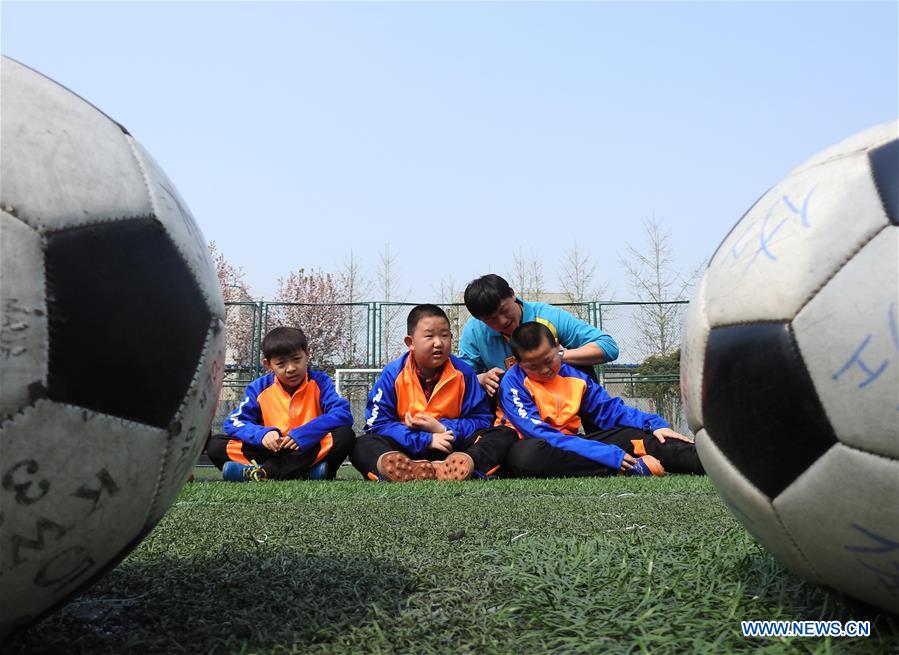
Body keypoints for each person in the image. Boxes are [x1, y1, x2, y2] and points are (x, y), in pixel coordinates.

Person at [497, 321, 704, 478]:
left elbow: (611, 411)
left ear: (558, 347)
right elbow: (541, 433)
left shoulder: (575, 377)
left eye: (549, 360)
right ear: (517, 363)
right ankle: (623, 466)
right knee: (527, 456)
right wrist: (607, 455)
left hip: (574, 446)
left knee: (641, 436)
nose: (544, 370)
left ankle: (712, 460)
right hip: (534, 447)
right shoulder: (512, 383)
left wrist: (653, 424)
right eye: (533, 367)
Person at [351, 304, 518, 482]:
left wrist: (443, 429)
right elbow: (377, 424)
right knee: (362, 444)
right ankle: (408, 469)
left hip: (453, 448)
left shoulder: (464, 373)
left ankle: (464, 466)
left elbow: (481, 419)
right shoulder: (393, 374)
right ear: (410, 342)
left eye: (445, 335)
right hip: (406, 447)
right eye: (429, 336)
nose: (438, 343)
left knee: (502, 434)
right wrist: (426, 439)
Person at [208, 326, 356, 481]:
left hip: (306, 448)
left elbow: (342, 414)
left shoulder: (321, 382)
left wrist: (304, 434)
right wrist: (262, 434)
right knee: (216, 445)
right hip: (273, 451)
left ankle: (262, 473)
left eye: (296, 359)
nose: (291, 368)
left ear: (307, 354)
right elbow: (233, 422)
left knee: (344, 436)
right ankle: (307, 473)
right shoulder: (259, 388)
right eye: (281, 364)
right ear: (268, 364)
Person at [460, 274, 618, 398]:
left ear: (512, 294)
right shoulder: (474, 331)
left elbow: (608, 346)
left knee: (580, 366)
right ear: (480, 319)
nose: (502, 321)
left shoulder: (547, 316)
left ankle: (599, 429)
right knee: (491, 382)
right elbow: (460, 377)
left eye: (503, 310)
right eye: (490, 319)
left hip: (555, 393)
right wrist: (482, 378)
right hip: (511, 400)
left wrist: (556, 356)